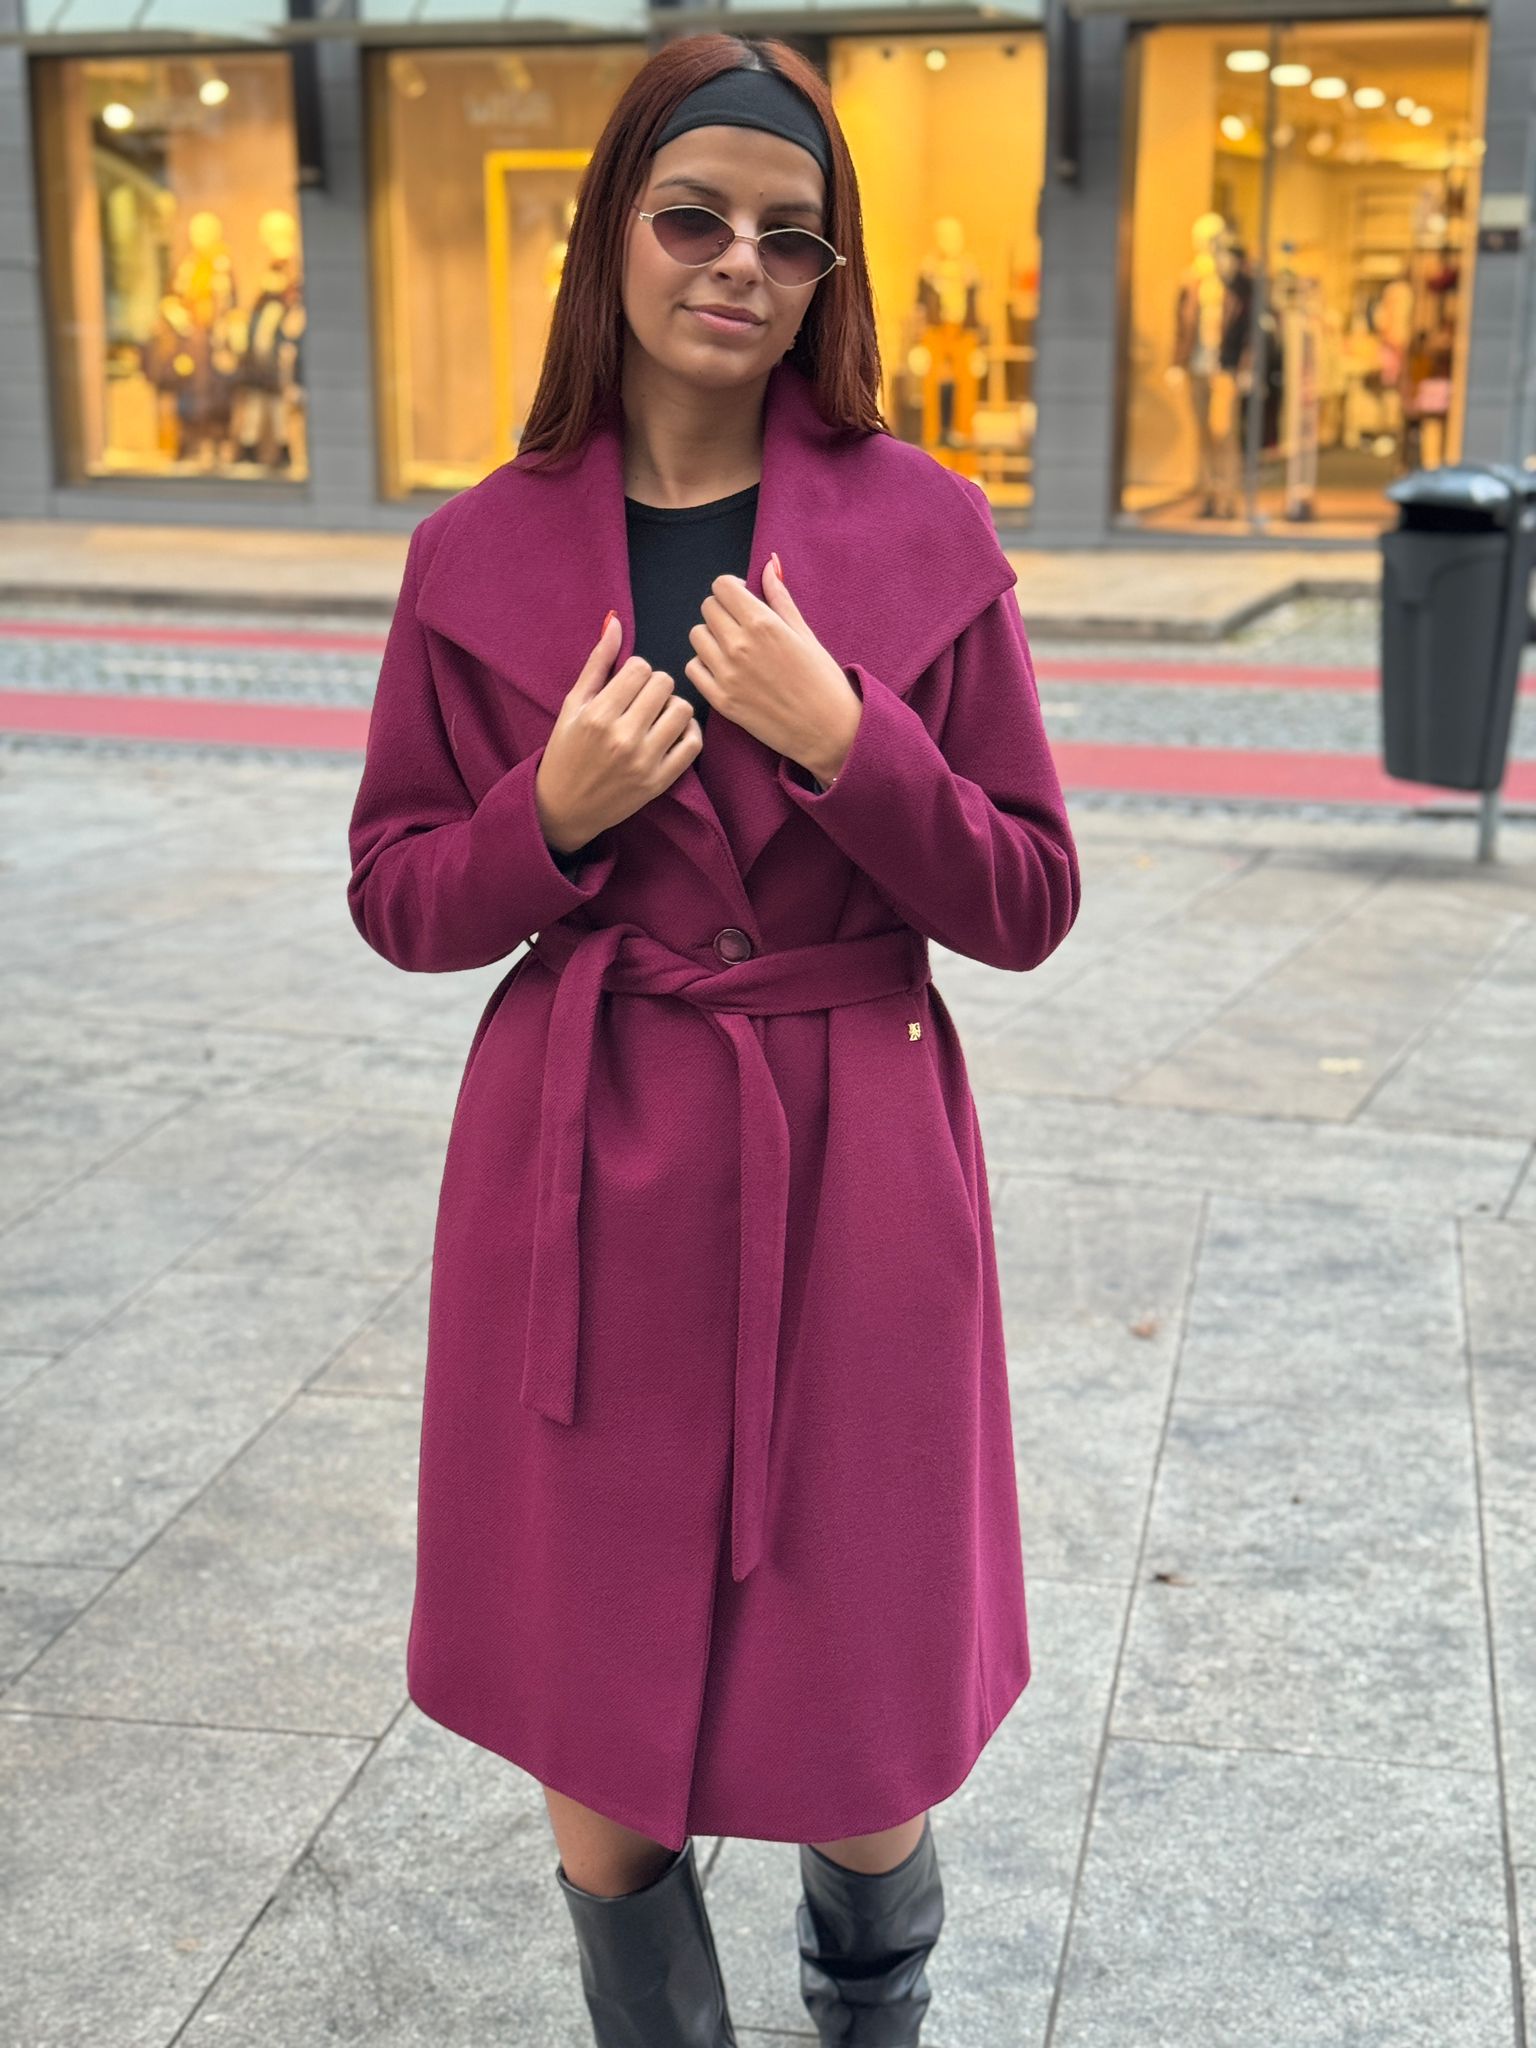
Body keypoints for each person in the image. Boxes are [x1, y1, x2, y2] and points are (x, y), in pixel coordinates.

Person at [345, 32, 1081, 2048]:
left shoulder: (928, 531)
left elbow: (1027, 896)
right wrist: (548, 815)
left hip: (858, 1170)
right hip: (575, 1170)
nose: (738, 262)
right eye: (693, 217)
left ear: (829, 276)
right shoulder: (472, 552)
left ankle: (873, 2007)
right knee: (592, 1717)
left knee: (864, 1717)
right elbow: (399, 894)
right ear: (613, 233)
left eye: (788, 233)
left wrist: (855, 741)